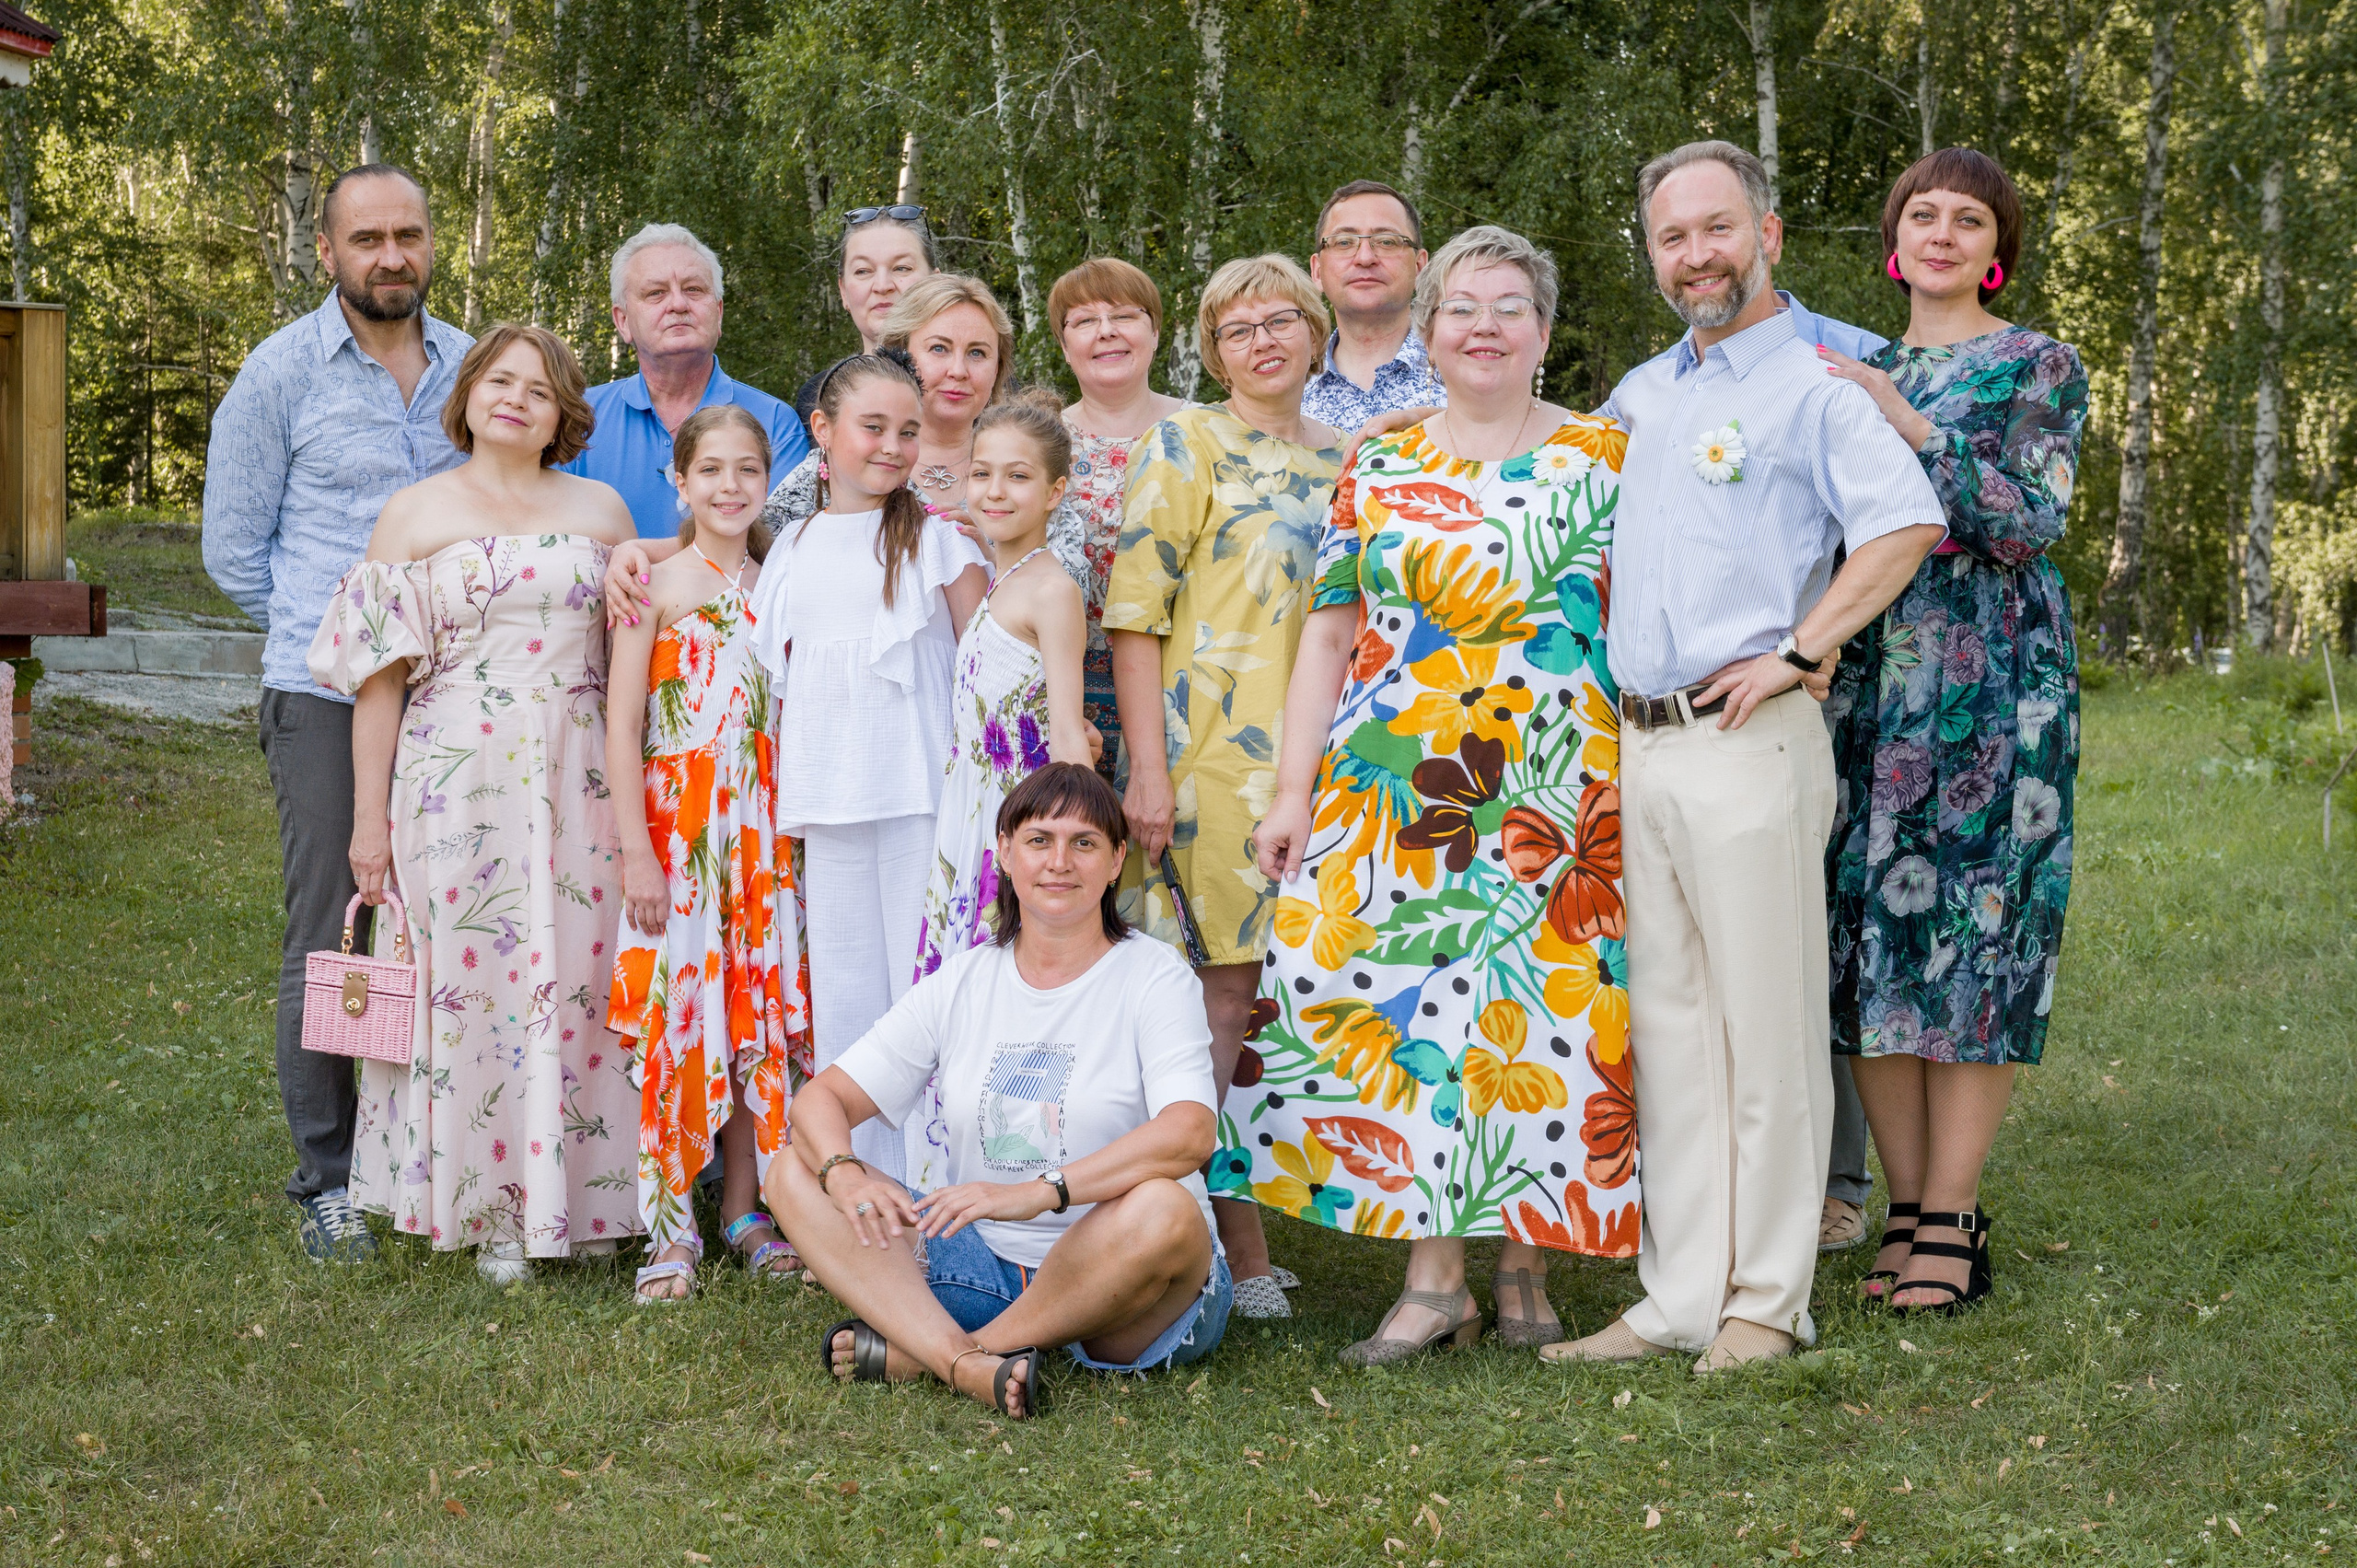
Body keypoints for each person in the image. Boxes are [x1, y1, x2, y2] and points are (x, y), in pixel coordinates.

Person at [1541, 141, 1946, 1371]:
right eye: (1673, 238)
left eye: (1717, 229)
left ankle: (1768, 1299)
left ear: (1766, 232)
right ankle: (1677, 1292)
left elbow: (1908, 522)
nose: (1696, 255)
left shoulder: (1818, 383)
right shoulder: (1641, 395)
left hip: (1747, 736)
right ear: (1652, 254)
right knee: (1670, 1028)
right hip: (1642, 746)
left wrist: (1802, 646)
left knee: (1764, 1028)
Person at [1248, 226, 1638, 1364]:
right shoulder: (1379, 461)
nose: (1482, 326)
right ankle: (1431, 1279)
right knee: (1393, 995)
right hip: (1398, 772)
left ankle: (1524, 1259)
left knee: (1539, 1014)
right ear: (1426, 332)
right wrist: (1291, 789)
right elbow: (1328, 632)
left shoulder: (1609, 455)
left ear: (1544, 333)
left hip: (1557, 774)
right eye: (1460, 307)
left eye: (1509, 306)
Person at [307, 322, 642, 1283]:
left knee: (578, 972)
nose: (517, 400)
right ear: (469, 395)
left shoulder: (604, 509)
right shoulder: (413, 515)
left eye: (539, 390)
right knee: (475, 979)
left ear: (562, 412)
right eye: (500, 381)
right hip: (454, 776)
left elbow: (638, 645)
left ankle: (588, 1198)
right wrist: (369, 821)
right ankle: (487, 1205)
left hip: (580, 773)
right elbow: (378, 683)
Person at [1817, 148, 2089, 1314]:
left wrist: (1909, 425)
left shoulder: (2038, 362)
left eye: (1965, 218)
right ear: (1894, 238)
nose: (1939, 233)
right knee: (1868, 938)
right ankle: (1905, 1209)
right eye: (1919, 213)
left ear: (1996, 248)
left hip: (1993, 681)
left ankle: (1958, 1216)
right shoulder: (1841, 367)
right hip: (1868, 683)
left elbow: (2030, 518)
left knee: (1979, 936)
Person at [770, 763, 1234, 1421]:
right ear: (1005, 853)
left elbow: (1190, 1133)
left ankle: (941, 1353)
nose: (1059, 862)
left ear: (1115, 862)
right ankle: (969, 1361)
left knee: (1165, 1208)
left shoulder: (1153, 978)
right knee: (795, 1169)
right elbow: (821, 1101)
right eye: (1039, 840)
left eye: (1084, 842)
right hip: (982, 1271)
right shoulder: (965, 980)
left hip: (1131, 1287)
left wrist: (1037, 1192)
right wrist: (843, 1173)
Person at [201, 162, 473, 1264]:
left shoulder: (474, 367)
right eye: (368, 238)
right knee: (335, 924)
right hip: (322, 697)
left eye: (408, 233)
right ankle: (328, 1174)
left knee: (460, 917)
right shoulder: (278, 377)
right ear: (329, 252)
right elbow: (233, 548)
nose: (391, 255)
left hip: (463, 695)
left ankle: (442, 1150)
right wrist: (345, 646)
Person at [1102, 254, 1343, 1319]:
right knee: (1222, 1002)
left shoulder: (1357, 460)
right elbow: (1133, 611)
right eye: (1237, 326)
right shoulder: (1185, 441)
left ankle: (1295, 1217)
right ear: (1210, 347)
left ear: (1316, 332)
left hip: (1338, 762)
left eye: (1281, 319)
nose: (1261, 340)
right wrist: (1147, 772)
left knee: (1304, 996)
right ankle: (1228, 1254)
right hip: (1210, 763)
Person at [743, 352, 989, 1186]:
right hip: (828, 790)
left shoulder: (939, 538)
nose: (892, 446)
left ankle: (942, 1181)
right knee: (847, 994)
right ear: (823, 431)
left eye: (908, 432)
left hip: (921, 790)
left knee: (929, 987)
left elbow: (985, 659)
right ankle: (867, 1187)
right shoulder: (792, 546)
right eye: (872, 428)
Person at [605, 405, 812, 1303]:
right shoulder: (655, 583)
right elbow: (619, 725)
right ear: (679, 482)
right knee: (678, 1013)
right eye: (711, 470)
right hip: (679, 826)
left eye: (748, 470)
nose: (730, 486)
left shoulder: (784, 581)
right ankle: (668, 1224)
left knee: (754, 1017)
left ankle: (746, 1207)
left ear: (769, 481)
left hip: (762, 830)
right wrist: (637, 854)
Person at [910, 392, 1095, 1188]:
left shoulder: (1050, 587)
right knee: (965, 998)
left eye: (1018, 476)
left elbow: (1064, 731)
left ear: (1055, 491)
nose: (994, 490)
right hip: (970, 810)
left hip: (1017, 815)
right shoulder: (998, 577)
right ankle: (949, 1176)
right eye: (982, 472)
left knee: (1009, 998)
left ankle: (1015, 1181)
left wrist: (1058, 847)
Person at [563, 224, 808, 540]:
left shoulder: (775, 423)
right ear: (623, 322)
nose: (678, 304)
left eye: (693, 289)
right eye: (656, 293)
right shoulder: (578, 417)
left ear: (718, 313)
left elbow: (774, 547)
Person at [1050, 259, 1188, 780]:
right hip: (1067, 701)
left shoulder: (1208, 431)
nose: (1106, 331)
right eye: (1084, 321)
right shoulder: (1036, 445)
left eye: (1124, 316)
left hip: (1182, 691)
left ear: (1155, 332)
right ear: (1065, 346)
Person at [1299, 180, 1446, 431]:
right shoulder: (1286, 385)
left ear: (1420, 267)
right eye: (1344, 242)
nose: (1365, 258)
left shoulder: (1464, 372)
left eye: (1387, 241)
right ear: (1317, 271)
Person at [794, 204, 938, 423]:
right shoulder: (818, 395)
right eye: (863, 271)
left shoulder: (980, 386)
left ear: (935, 282)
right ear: (843, 291)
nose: (882, 286)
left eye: (902, 268)